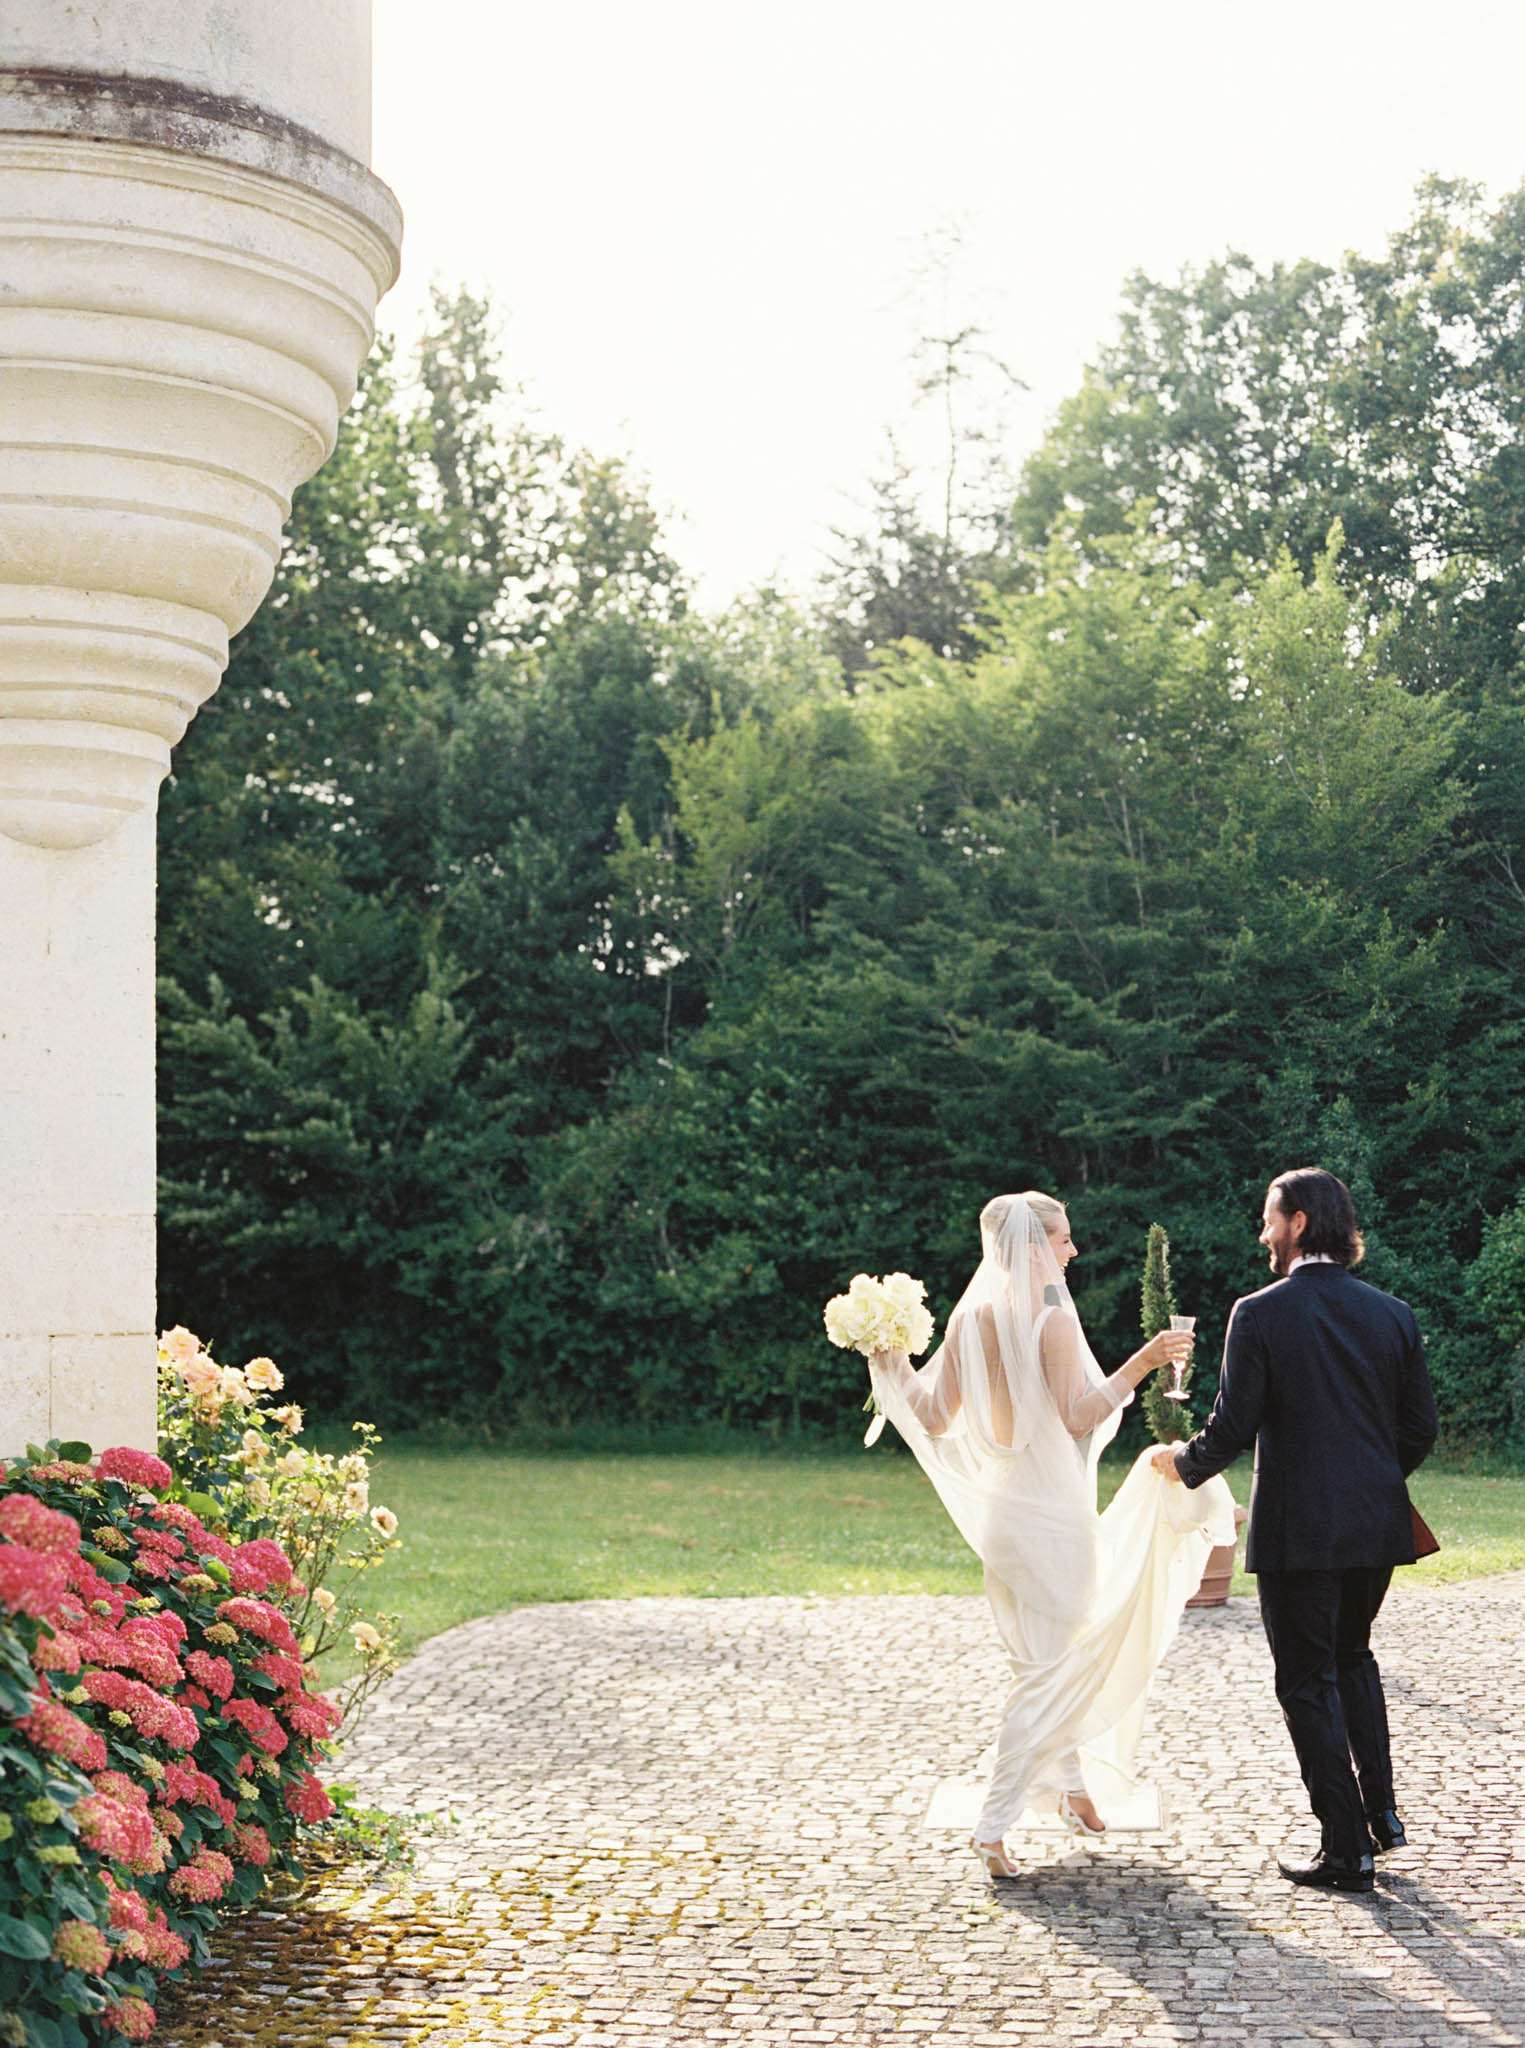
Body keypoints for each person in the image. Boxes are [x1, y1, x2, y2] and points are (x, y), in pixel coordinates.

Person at [869, 1191, 1236, 1879]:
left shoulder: (968, 1318)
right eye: (1062, 1238)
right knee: (1049, 1672)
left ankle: (1070, 1790)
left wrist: (886, 1357)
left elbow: (931, 1415)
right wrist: (1146, 1360)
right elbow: (1078, 1414)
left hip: (1005, 1517)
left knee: (1041, 1658)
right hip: (1051, 1514)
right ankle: (993, 1822)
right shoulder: (1049, 1318)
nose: (1072, 1250)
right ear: (1033, 1245)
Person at [1153, 1166, 1438, 1894]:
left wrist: (1177, 1462)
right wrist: (1370, 1480)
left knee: (1306, 1681)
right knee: (1352, 1659)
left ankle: (1345, 1849)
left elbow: (1230, 1427)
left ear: (1299, 1223)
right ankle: (1382, 1815)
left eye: (1268, 1216)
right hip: (1374, 1526)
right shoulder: (1392, 1313)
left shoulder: (1258, 1312)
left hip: (1299, 1531)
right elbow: (1418, 1430)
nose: (1261, 1230)